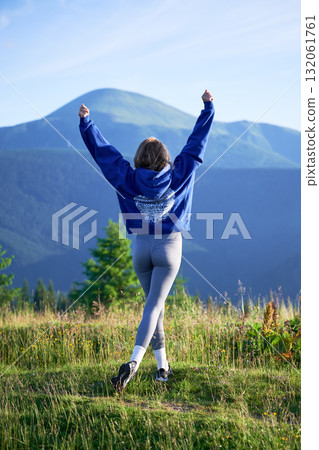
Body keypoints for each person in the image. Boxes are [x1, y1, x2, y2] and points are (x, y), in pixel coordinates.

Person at [78, 89, 215, 391]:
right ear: (167, 158)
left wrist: (87, 124)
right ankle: (134, 362)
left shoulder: (126, 177)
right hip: (169, 248)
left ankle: (163, 368)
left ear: (138, 158)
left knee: (156, 307)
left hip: (140, 248)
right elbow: (196, 143)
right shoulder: (180, 172)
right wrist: (207, 107)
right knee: (154, 307)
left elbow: (105, 154)